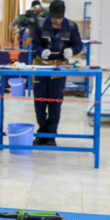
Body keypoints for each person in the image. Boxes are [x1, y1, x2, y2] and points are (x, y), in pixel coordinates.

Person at [32, 0, 82, 146]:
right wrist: (41, 51)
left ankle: (51, 135)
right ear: (50, 15)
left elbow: (78, 45)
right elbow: (35, 44)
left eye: (59, 18)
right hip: (41, 68)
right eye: (54, 18)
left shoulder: (71, 26)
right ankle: (41, 133)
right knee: (40, 102)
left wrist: (72, 51)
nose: (57, 21)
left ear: (63, 15)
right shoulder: (40, 25)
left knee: (55, 102)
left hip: (60, 69)